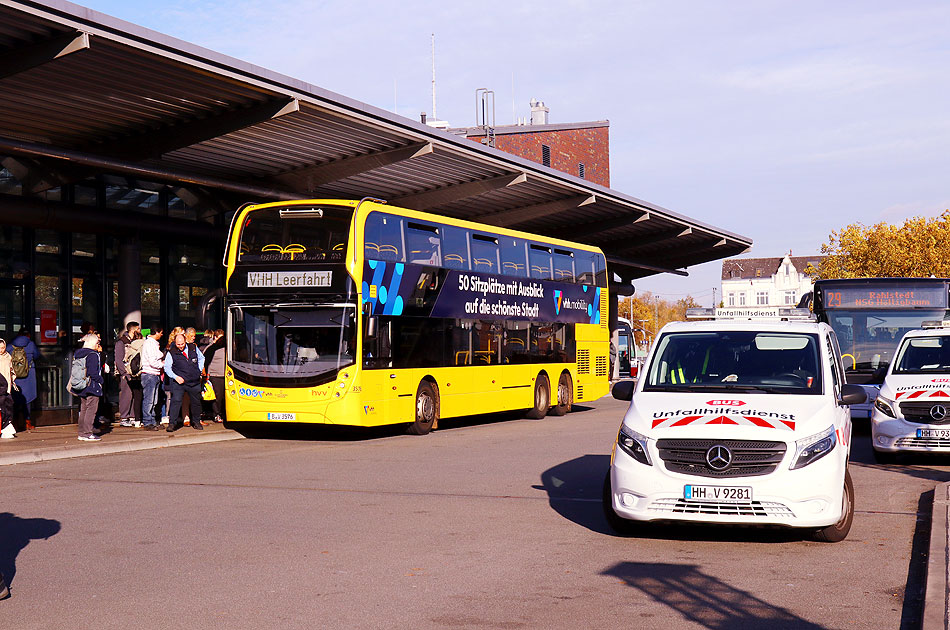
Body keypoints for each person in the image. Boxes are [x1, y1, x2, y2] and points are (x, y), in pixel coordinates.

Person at [164, 333, 205, 432]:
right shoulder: (171, 352)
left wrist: (198, 370)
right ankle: (172, 424)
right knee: (176, 401)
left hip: (194, 381)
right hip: (180, 382)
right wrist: (175, 377)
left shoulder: (193, 348)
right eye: (178, 344)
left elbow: (201, 358)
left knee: (196, 402)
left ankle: (196, 422)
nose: (180, 346)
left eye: (182, 344)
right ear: (175, 343)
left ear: (185, 341)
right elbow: (167, 368)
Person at [73, 333, 105, 441]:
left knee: (83, 409)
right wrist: (101, 380)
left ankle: (82, 433)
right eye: (97, 342)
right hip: (92, 385)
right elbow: (93, 373)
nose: (98, 345)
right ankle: (87, 433)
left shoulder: (78, 353)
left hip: (81, 384)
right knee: (91, 410)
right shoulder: (93, 354)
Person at [115, 321, 141, 427]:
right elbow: (119, 359)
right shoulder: (121, 342)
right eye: (138, 329)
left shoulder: (136, 341)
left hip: (134, 373)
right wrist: (124, 373)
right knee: (126, 395)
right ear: (133, 329)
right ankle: (124, 417)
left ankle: (132, 416)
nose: (139, 331)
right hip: (126, 373)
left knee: (134, 395)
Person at [10, 328, 37, 431]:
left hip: (15, 376)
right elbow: (37, 355)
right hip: (28, 375)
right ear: (28, 335)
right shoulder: (31, 344)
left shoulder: (11, 345)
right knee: (28, 399)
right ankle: (28, 422)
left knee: (15, 398)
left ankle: (15, 422)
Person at [139, 327, 165, 431]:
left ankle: (152, 421)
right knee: (149, 400)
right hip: (150, 374)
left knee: (154, 400)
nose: (162, 335)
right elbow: (152, 361)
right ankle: (147, 421)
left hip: (154, 374)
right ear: (157, 332)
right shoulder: (150, 344)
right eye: (161, 332)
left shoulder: (153, 343)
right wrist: (162, 364)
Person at [203, 329, 226, 423]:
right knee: (217, 397)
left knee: (223, 396)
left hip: (226, 375)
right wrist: (206, 376)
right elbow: (205, 363)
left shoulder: (227, 347)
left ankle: (222, 413)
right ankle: (216, 414)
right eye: (220, 338)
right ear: (215, 337)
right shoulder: (210, 348)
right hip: (215, 375)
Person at [0, 339, 18, 439]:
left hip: (7, 387)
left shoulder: (8, 357)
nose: (1, 350)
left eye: (3, 348)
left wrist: (11, 380)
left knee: (8, 407)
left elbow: (11, 371)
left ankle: (5, 427)